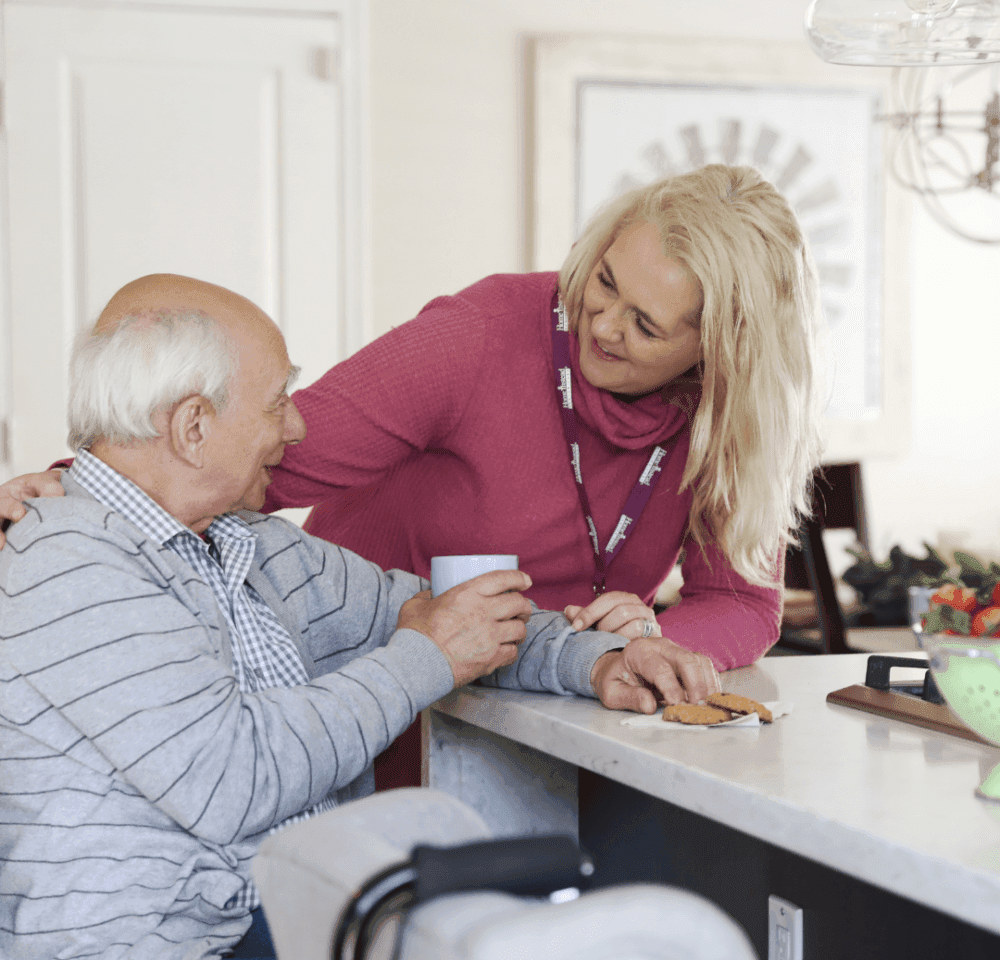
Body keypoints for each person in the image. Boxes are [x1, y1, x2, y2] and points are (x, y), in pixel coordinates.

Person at [0, 275, 695, 960]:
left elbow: (430, 613)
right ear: (192, 425)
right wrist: (425, 655)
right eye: (278, 400)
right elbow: (236, 775)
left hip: (257, 936)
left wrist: (593, 661)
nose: (294, 428)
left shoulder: (248, 545)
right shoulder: (71, 566)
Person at [0, 163, 823, 790]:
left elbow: (743, 602)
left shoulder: (732, 417)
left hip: (555, 694)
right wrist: (83, 482)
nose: (599, 323)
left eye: (645, 324)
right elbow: (263, 453)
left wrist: (643, 647)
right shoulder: (476, 339)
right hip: (367, 701)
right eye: (604, 279)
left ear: (717, 352)